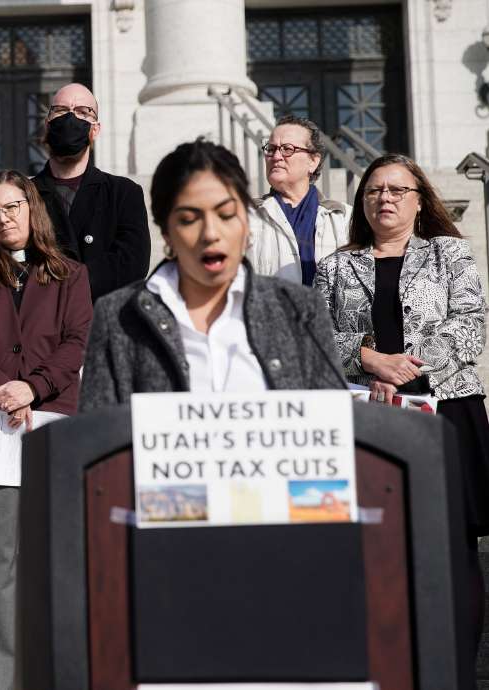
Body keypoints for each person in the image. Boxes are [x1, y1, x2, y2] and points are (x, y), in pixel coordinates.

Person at [313, 153, 488, 678]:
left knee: (453, 551)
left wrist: (404, 369)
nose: (384, 198)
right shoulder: (335, 266)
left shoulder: (449, 254)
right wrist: (369, 361)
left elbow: (472, 327)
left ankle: (454, 668)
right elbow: (315, 338)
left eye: (396, 190)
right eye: (373, 191)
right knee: (375, 545)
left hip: (446, 412)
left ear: (418, 200)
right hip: (367, 417)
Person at [0, 169, 91, 690]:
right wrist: (5, 386)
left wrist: (33, 386)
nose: (3, 219)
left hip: (53, 427)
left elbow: (76, 342)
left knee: (55, 562)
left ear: (32, 209)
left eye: (12, 207)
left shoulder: (71, 274)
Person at [79, 139, 346, 411]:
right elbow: (99, 440)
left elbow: (333, 426)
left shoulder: (300, 310)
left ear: (247, 223)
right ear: (166, 233)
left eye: (226, 214)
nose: (210, 234)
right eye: (189, 219)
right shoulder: (117, 317)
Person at [30, 82, 150, 301]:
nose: (70, 118)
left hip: (99, 322)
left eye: (83, 112)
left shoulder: (123, 193)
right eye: (61, 110)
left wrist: (69, 282)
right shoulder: (24, 194)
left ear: (95, 129)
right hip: (42, 322)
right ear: (48, 125)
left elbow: (132, 264)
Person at [248, 115, 350, 285]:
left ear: (313, 161)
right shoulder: (247, 215)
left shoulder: (343, 218)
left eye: (287, 149)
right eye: (271, 149)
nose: (276, 156)